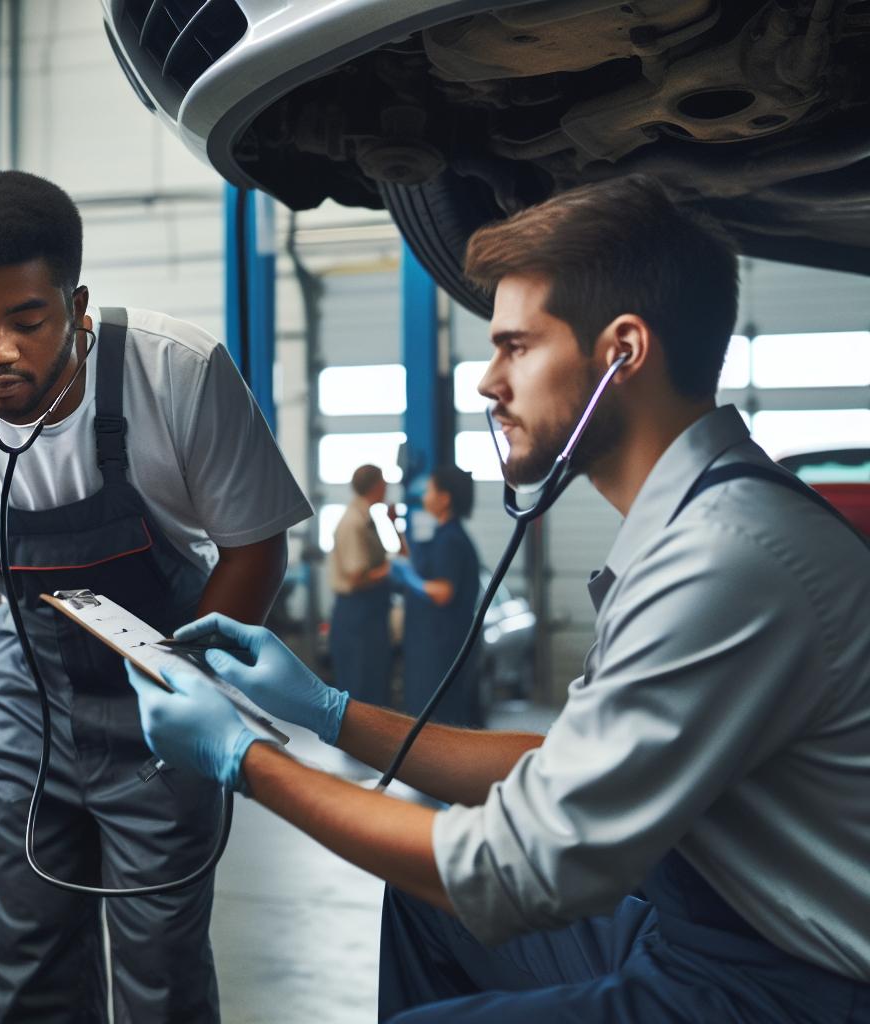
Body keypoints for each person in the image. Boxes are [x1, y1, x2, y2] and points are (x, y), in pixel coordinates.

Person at [127, 175, 870, 1021]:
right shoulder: (689, 525)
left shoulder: (724, 557)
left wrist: (247, 760)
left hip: (795, 980)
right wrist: (330, 713)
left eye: (516, 347)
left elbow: (515, 872)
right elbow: (558, 767)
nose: (487, 382)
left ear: (622, 352)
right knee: (427, 911)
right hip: (707, 930)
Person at [0, 171, 312, 1021]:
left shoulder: (176, 373)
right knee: (31, 964)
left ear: (77, 306)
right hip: (30, 700)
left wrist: (191, 684)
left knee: (161, 969)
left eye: (26, 320)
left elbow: (254, 547)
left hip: (167, 694)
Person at [392, 465, 484, 727]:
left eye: (430, 490)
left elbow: (443, 593)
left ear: (444, 498)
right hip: (432, 642)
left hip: (440, 646)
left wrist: (410, 579)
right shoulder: (443, 536)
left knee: (436, 720)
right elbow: (417, 562)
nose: (424, 496)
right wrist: (394, 526)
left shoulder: (450, 541)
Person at [330, 464, 397, 706]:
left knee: (375, 685)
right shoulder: (354, 522)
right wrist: (393, 569)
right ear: (375, 486)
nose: (387, 486)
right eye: (384, 481)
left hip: (370, 615)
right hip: (357, 615)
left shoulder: (367, 519)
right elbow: (356, 577)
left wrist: (393, 524)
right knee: (360, 689)